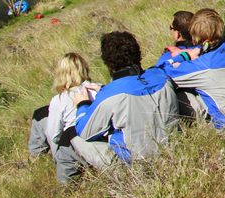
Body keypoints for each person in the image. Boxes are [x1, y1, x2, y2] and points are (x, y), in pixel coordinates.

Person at [70, 31, 179, 169]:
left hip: (137, 164)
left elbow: (85, 131)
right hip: (173, 149)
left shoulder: (110, 94)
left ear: (108, 63)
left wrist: (82, 104)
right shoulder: (161, 76)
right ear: (138, 54)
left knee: (75, 138)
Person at [156, 8, 225, 128]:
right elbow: (211, 52)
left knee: (175, 93)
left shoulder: (201, 66)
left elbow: (159, 73)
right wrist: (196, 50)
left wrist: (184, 56)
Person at [27, 53, 100, 183]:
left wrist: (58, 158)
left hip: (73, 150)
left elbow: (54, 135)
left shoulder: (59, 99)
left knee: (42, 118)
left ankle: (36, 158)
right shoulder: (98, 89)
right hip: (99, 146)